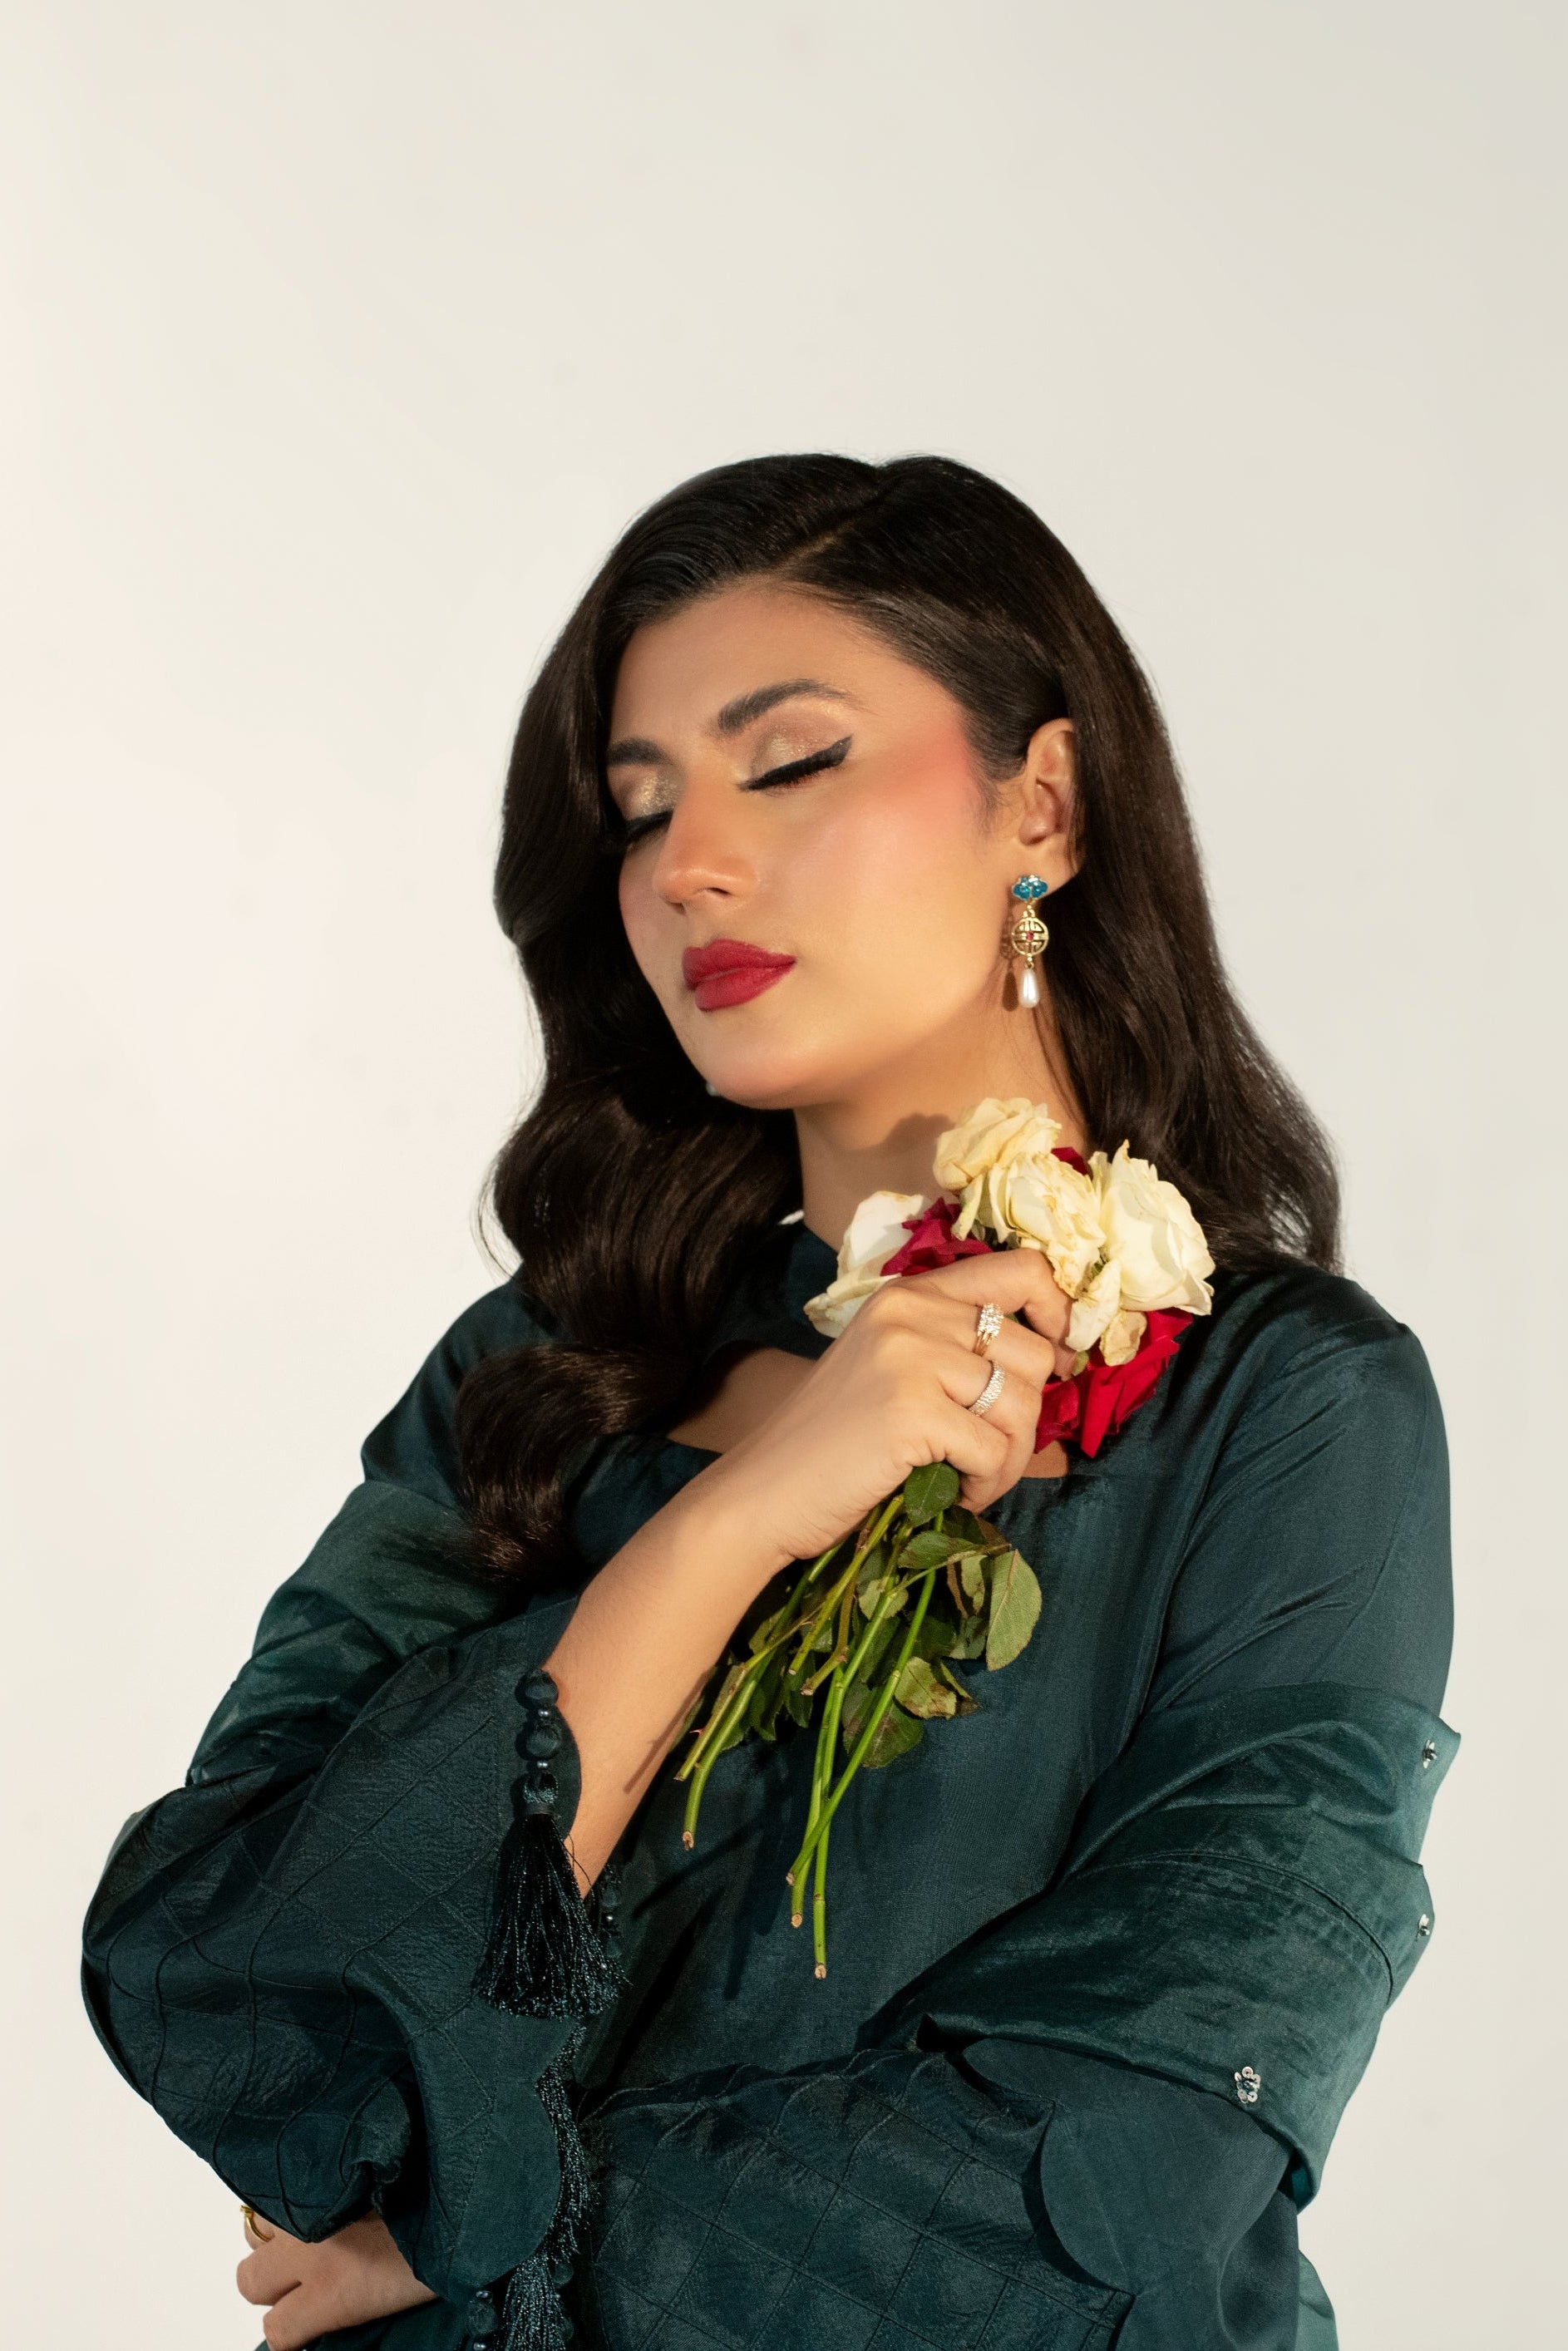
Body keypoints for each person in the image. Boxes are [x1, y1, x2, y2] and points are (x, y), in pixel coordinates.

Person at [82, 454, 1455, 2351]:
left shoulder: (1282, 1407)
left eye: (788, 762)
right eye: (641, 814)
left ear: (1038, 799)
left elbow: (1135, 2156)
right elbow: (242, 1996)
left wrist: (505, 2240)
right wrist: (733, 1518)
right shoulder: (538, 1375)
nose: (689, 866)